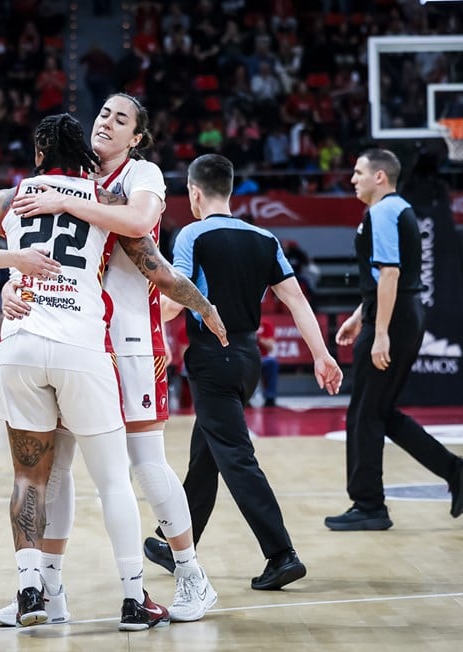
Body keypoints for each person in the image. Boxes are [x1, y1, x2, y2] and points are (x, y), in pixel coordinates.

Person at [0, 113, 219, 630]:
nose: (108, 122)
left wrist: (11, 262)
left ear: (40, 152)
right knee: (105, 478)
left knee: (40, 475)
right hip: (84, 347)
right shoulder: (103, 201)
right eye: (102, 116)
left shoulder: (17, 197)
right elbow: (157, 265)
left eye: (120, 119)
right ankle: (123, 597)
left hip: (36, 347)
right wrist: (205, 305)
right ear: (84, 151)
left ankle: (42, 590)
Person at [156, 153, 342, 591]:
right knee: (206, 455)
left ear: (194, 193)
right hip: (246, 360)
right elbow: (297, 301)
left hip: (211, 357)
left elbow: (177, 295)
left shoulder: (192, 234)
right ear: (231, 190)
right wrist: (322, 355)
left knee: (236, 458)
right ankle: (174, 543)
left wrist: (143, 324)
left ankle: (282, 553)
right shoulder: (265, 238)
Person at [325, 148, 463, 532]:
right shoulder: (399, 210)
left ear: (380, 177)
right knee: (379, 411)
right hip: (403, 315)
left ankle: (369, 506)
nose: (352, 179)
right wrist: (360, 317)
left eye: (358, 172)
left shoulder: (382, 212)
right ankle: (455, 470)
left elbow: (391, 274)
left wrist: (379, 334)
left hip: (393, 320)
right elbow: (391, 278)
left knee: (363, 412)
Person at [257, 317, 279, 407]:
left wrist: (258, 338)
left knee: (272, 362)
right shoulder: (242, 323)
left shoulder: (265, 324)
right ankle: (245, 399)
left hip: (263, 358)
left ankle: (270, 397)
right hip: (246, 357)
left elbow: (270, 346)